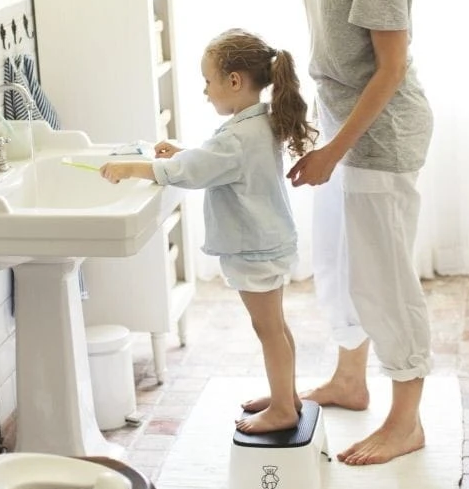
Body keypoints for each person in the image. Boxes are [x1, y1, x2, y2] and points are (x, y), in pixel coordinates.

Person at [242, 0, 434, 466]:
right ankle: (351, 380)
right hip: (341, 121)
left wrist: (333, 151)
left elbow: (390, 68)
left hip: (382, 133)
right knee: (338, 261)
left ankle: (406, 420)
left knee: (385, 278)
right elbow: (330, 44)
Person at [100, 28, 317, 435]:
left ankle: (283, 409)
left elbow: (195, 171)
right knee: (276, 326)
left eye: (207, 81)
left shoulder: (237, 136)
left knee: (269, 330)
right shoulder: (258, 123)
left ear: (234, 81)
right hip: (268, 241)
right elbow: (217, 164)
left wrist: (131, 167)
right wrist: (184, 153)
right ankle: (286, 396)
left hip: (255, 249)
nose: (204, 91)